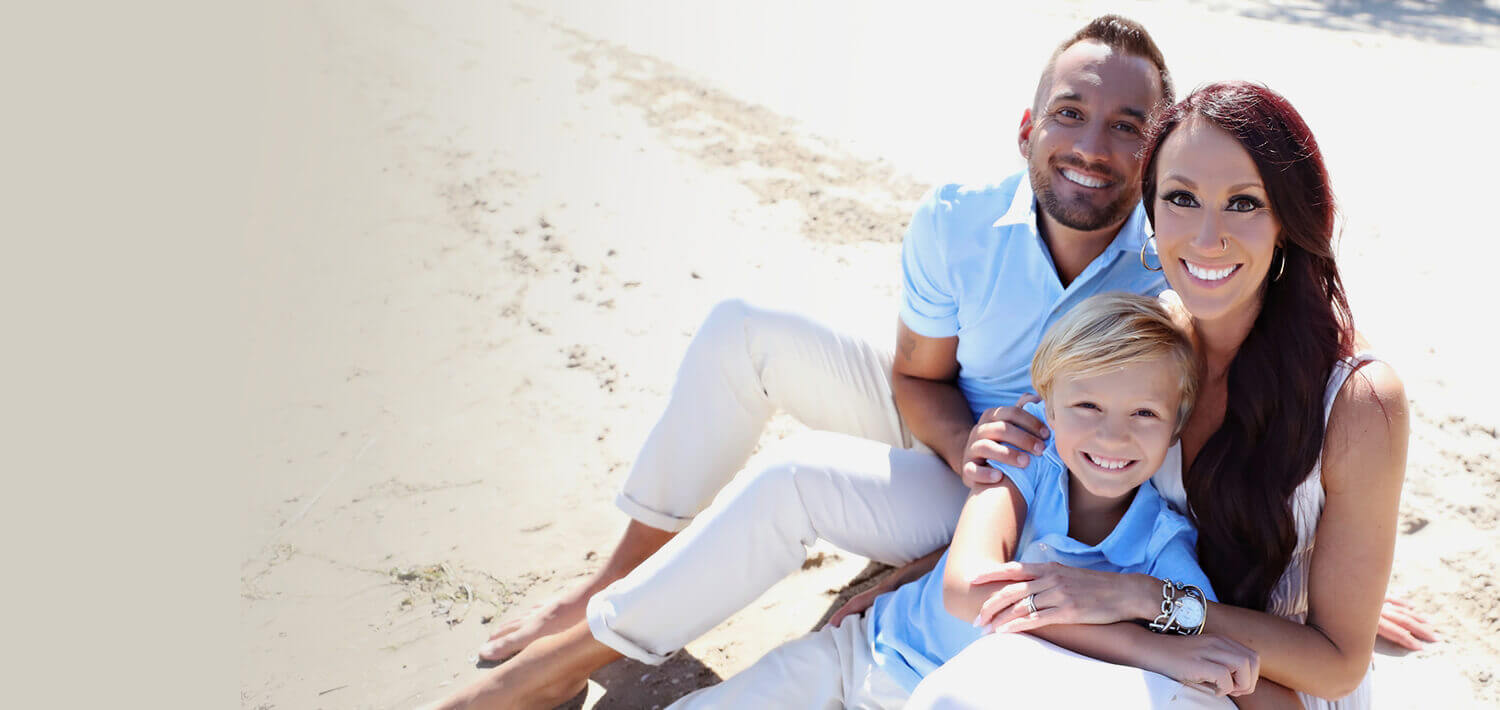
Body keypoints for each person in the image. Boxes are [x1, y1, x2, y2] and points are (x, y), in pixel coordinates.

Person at [906, 81, 1408, 709]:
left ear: (1287, 220)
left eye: (1244, 203)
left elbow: (1335, 665)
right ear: (1151, 211)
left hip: (1265, 685)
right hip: (1132, 645)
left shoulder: (1357, 400)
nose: (1205, 236)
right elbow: (1034, 497)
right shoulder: (1146, 345)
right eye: (1181, 198)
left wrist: (1141, 600)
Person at [664, 292, 1264, 708]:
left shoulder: (1161, 542)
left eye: (1144, 413)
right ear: (1046, 409)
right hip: (871, 653)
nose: (1113, 436)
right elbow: (966, 590)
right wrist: (1130, 640)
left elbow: (1193, 630)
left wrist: (1146, 630)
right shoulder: (1029, 462)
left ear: (1176, 425)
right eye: (1087, 407)